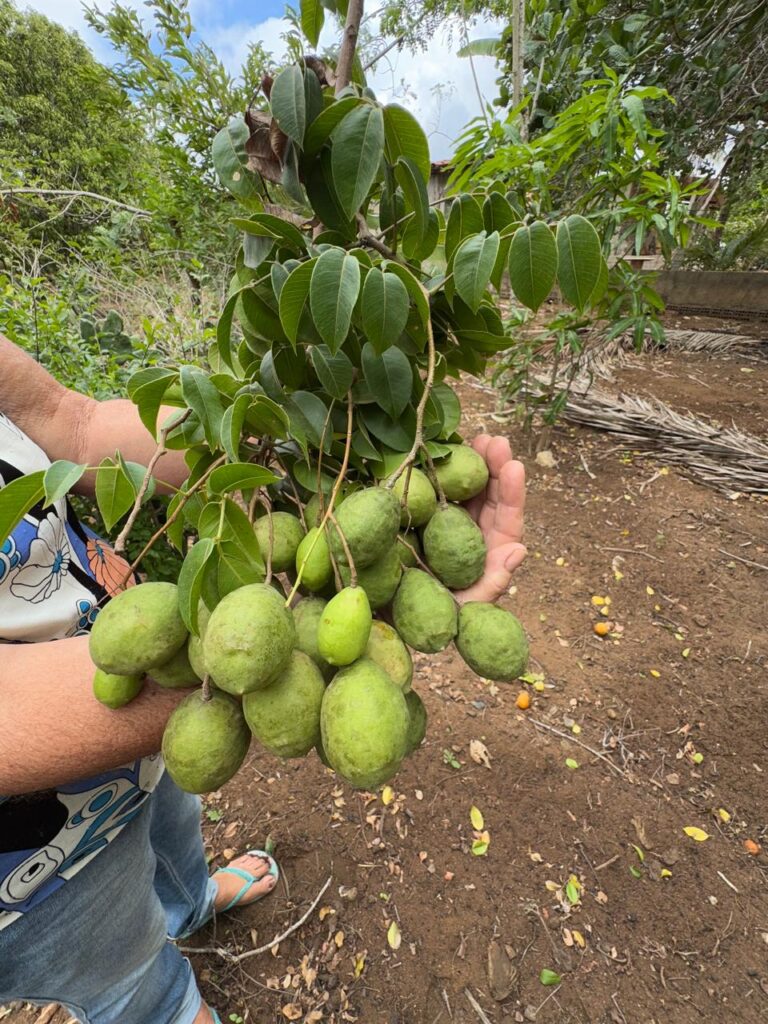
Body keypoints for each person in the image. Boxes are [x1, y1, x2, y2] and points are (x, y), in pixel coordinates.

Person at [0, 334, 526, 1024]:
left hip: (138, 750)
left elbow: (72, 422)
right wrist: (227, 667)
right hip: (34, 875)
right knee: (137, 987)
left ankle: (192, 902)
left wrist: (265, 432)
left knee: (174, 817)